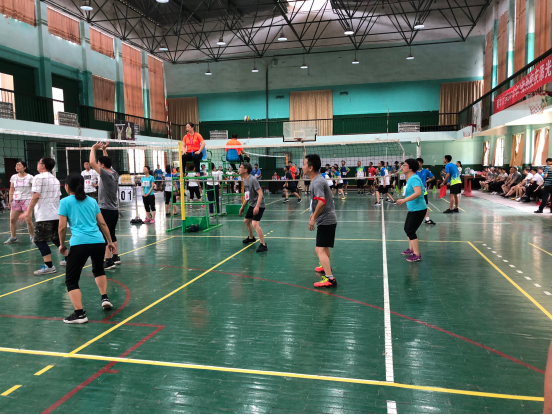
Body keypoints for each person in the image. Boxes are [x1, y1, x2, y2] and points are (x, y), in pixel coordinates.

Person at [58, 173, 117, 324]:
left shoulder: (64, 202)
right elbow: (102, 223)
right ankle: (104, 298)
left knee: (71, 280)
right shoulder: (92, 201)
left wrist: (62, 244)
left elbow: (62, 227)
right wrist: (109, 241)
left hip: (79, 243)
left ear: (67, 187)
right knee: (98, 269)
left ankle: (79, 314)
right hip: (98, 241)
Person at [20, 157, 66, 275]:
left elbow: (36, 195)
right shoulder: (55, 179)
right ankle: (68, 258)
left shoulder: (38, 177)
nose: (37, 164)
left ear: (43, 165)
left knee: (39, 240)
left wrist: (28, 211)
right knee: (56, 239)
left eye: (38, 162)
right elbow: (58, 197)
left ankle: (49, 266)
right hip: (56, 214)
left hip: (44, 215)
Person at [304, 154, 337, 288]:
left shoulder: (317, 182)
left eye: (304, 164)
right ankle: (325, 266)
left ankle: (330, 279)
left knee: (319, 250)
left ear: (310, 168)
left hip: (326, 220)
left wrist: (313, 218)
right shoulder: (317, 180)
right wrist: (314, 214)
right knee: (324, 247)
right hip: (327, 219)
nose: (302, 167)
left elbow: (322, 202)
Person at [89, 142, 121, 270]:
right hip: (114, 209)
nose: (97, 165)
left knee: (104, 236)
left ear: (102, 165)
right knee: (111, 234)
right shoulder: (114, 173)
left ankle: (108, 261)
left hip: (105, 209)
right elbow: (108, 162)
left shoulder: (106, 175)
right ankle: (115, 257)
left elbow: (91, 163)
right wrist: (104, 149)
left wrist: (93, 148)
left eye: (99, 163)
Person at [397, 159, 427, 263]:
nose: (402, 167)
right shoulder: (410, 178)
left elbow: (418, 193)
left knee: (410, 230)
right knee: (407, 229)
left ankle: (417, 254)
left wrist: (404, 200)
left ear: (410, 168)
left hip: (419, 209)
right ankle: (411, 249)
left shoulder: (414, 178)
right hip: (413, 209)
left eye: (404, 165)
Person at [239, 162, 267, 253]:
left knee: (255, 224)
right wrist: (243, 206)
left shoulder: (253, 180)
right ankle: (251, 238)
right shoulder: (244, 180)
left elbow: (260, 194)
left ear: (245, 170)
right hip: (252, 204)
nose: (239, 169)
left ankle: (263, 244)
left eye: (240, 167)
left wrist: (257, 206)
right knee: (246, 221)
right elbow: (247, 196)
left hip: (259, 204)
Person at [5, 161, 34, 244]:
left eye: (19, 165)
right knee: (12, 219)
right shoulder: (14, 177)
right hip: (16, 200)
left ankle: (32, 236)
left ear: (25, 167)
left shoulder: (30, 177)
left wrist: (33, 201)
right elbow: (11, 189)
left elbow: (34, 189)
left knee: (28, 220)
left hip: (27, 200)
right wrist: (10, 201)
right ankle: (13, 237)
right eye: (16, 165)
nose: (17, 167)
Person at [416, 158, 436, 225]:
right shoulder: (414, 171)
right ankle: (416, 219)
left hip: (423, 191)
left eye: (418, 163)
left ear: (421, 163)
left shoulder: (425, 171)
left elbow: (433, 177)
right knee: (416, 205)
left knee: (424, 205)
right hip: (415, 191)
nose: (417, 164)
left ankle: (427, 219)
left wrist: (426, 181)